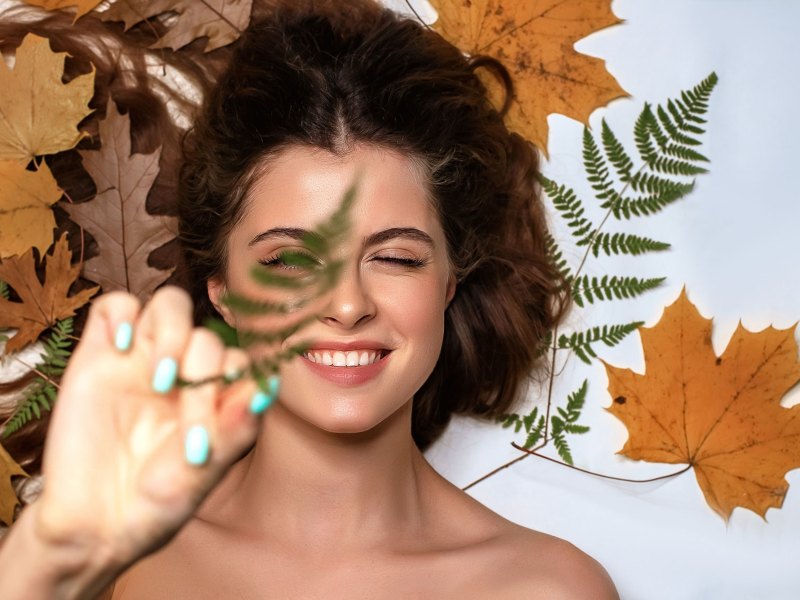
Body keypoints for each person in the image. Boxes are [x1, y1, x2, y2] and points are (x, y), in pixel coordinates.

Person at [0, 2, 619, 598]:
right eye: (289, 260)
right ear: (224, 292)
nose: (347, 305)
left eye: (396, 257)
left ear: (448, 283)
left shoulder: (546, 588)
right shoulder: (118, 561)